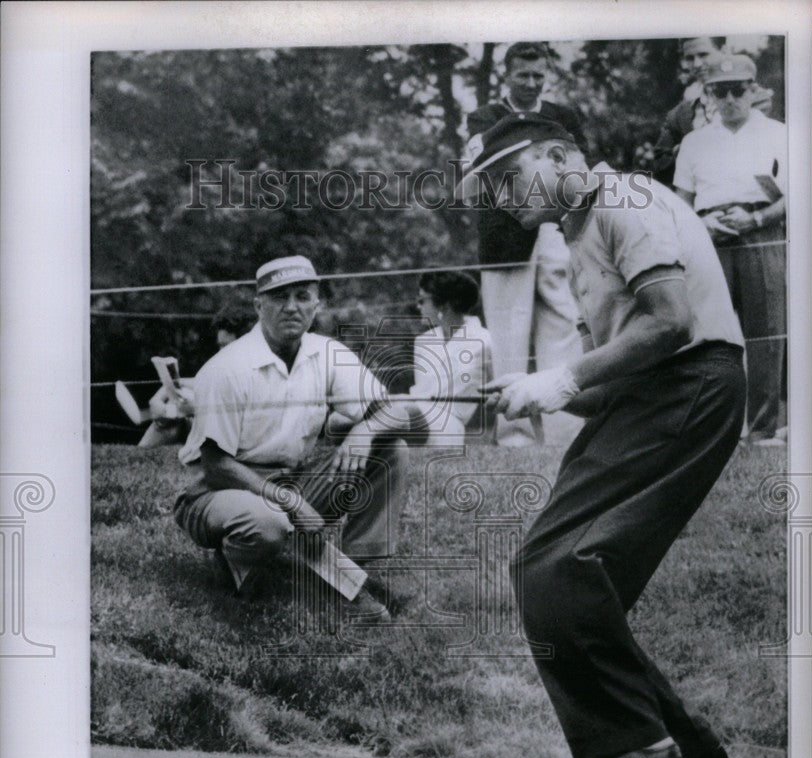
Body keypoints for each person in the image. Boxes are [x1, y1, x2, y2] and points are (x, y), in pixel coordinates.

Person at [458, 113, 745, 758]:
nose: (503, 198)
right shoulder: (576, 231)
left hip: (690, 384)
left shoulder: (625, 199)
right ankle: (675, 743)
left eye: (510, 176)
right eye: (492, 188)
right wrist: (529, 389)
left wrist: (560, 378)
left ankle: (635, 743)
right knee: (562, 572)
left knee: (559, 564)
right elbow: (608, 370)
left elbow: (670, 323)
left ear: (561, 156)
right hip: (652, 393)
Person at [173, 255, 410, 619]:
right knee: (268, 525)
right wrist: (294, 504)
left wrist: (365, 429)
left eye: (302, 296)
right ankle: (238, 561)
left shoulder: (326, 352)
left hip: (293, 478)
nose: (291, 307)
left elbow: (397, 413)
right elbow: (216, 465)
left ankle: (355, 572)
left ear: (317, 305)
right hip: (221, 490)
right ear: (258, 305)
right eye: (279, 297)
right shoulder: (227, 367)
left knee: (390, 449)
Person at [466, 42, 584, 448]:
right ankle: (514, 431)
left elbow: (574, 166)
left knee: (563, 319)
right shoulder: (484, 117)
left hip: (554, 226)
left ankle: (565, 425)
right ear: (507, 75)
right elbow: (485, 174)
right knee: (508, 330)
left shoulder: (563, 116)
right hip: (505, 233)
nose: (532, 83)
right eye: (523, 75)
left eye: (539, 75)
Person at [674, 54, 787, 444]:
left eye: (738, 90)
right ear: (708, 94)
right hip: (710, 238)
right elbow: (680, 202)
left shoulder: (779, 133)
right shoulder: (694, 142)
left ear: (753, 89)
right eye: (720, 92)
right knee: (711, 335)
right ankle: (714, 429)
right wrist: (700, 225)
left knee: (766, 332)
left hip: (761, 233)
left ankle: (762, 430)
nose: (730, 100)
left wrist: (756, 219)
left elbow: (795, 196)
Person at [652, 37, 773, 185]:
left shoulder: (756, 99)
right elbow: (659, 163)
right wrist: (682, 152)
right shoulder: (679, 113)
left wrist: (687, 148)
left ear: (724, 51)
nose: (696, 64)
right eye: (689, 58)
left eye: (703, 55)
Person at [406, 271, 493, 447]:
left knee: (390, 413)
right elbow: (420, 394)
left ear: (443, 306)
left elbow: (500, 393)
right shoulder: (422, 342)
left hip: (447, 425)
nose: (418, 306)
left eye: (422, 300)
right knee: (338, 421)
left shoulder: (484, 341)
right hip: (414, 416)